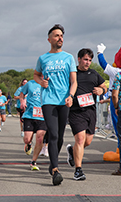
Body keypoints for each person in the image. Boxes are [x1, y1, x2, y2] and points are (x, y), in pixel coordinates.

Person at [33, 24, 77, 186]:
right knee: (52, 133)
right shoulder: (43, 58)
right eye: (57, 35)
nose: (60, 38)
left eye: (62, 36)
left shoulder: (68, 58)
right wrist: (41, 82)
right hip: (48, 101)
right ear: (49, 39)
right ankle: (55, 170)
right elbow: (36, 75)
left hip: (64, 101)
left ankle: (53, 163)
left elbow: (74, 81)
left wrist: (71, 96)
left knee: (59, 136)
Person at [66, 48, 107, 181]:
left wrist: (101, 90)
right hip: (76, 111)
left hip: (90, 110)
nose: (87, 62)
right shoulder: (72, 73)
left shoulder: (94, 73)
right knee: (80, 139)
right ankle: (78, 170)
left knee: (87, 141)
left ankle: (73, 152)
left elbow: (104, 86)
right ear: (78, 59)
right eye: (85, 59)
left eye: (89, 60)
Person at [20, 79, 47, 171]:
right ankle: (29, 144)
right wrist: (22, 101)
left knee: (40, 138)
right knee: (27, 139)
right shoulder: (30, 83)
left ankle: (33, 161)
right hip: (30, 115)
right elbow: (22, 94)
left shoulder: (50, 83)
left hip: (42, 116)